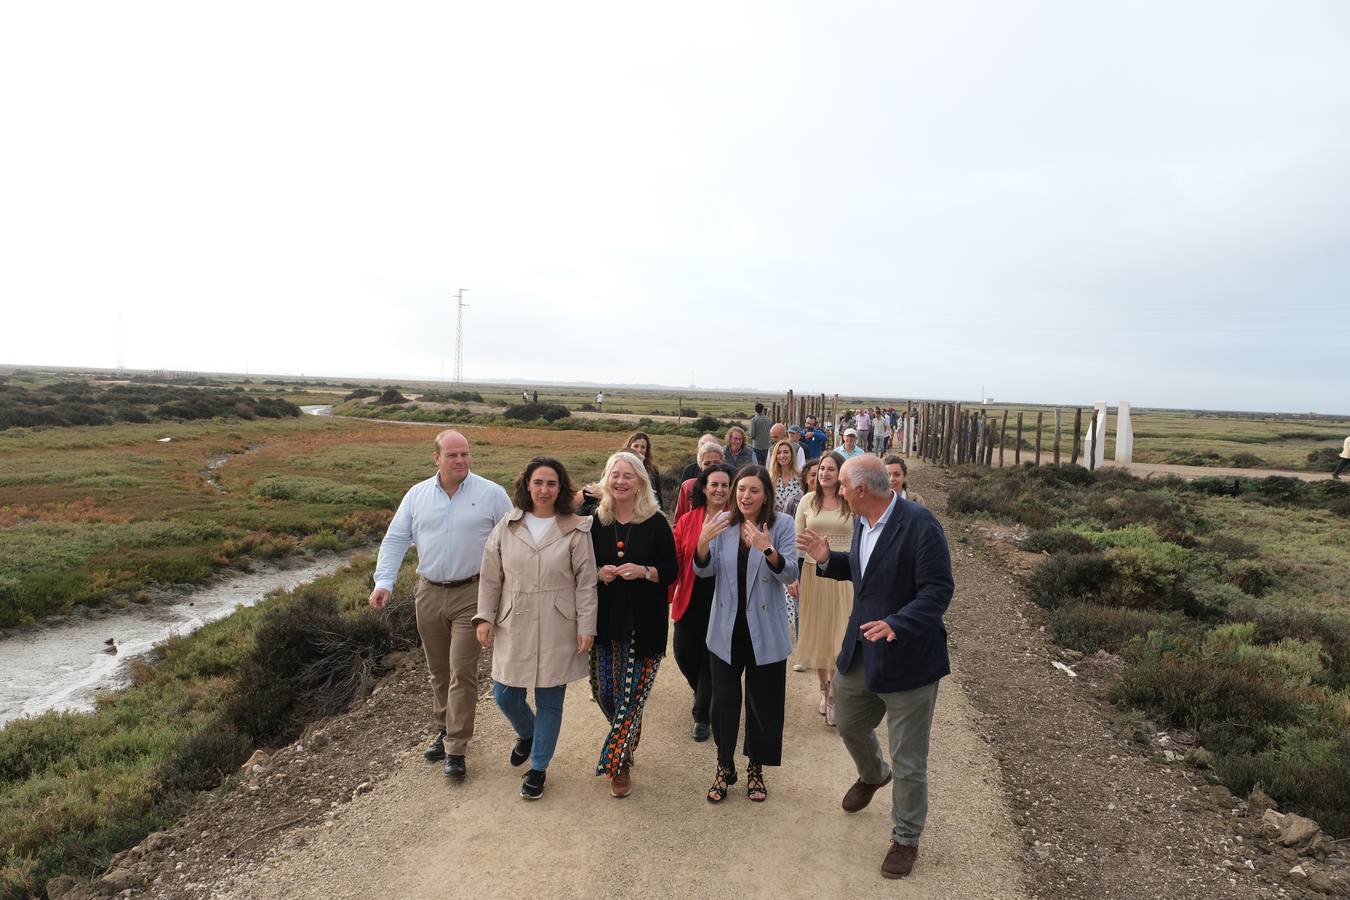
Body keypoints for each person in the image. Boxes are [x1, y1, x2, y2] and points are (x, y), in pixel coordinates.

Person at [797, 454, 954, 880]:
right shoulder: (864, 523)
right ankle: (872, 774)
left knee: (909, 758)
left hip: (909, 661)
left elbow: (939, 590)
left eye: (843, 485)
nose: (837, 490)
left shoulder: (920, 525)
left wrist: (898, 623)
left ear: (861, 490)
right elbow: (868, 574)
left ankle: (905, 839)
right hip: (863, 652)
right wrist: (830, 559)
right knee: (848, 723)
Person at [369, 430, 512, 781]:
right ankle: (444, 728)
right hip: (429, 593)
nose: (461, 460)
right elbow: (397, 538)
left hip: (472, 594)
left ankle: (456, 748)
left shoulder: (491, 494)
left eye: (465, 454)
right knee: (438, 670)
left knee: (462, 670)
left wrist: (508, 594)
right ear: (437, 458)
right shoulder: (417, 495)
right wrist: (383, 582)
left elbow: (513, 539)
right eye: (453, 455)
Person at [475, 457, 597, 800]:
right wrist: (484, 616)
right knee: (504, 693)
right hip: (514, 618)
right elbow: (491, 574)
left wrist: (587, 626)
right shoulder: (508, 524)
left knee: (550, 699)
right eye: (538, 482)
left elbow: (586, 582)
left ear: (561, 488)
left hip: (560, 622)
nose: (544, 490)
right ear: (527, 485)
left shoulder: (576, 527)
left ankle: (539, 767)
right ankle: (526, 733)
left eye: (552, 483)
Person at [693, 465, 798, 803]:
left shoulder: (782, 525)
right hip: (725, 628)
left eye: (753, 490)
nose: (745, 496)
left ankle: (756, 768)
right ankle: (724, 768)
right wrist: (702, 545)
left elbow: (790, 573)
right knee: (723, 703)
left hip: (764, 630)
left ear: (765, 494)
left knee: (763, 704)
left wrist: (768, 549)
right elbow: (704, 571)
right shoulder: (722, 523)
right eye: (741, 490)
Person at [589, 451, 678, 797]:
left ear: (641, 481)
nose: (621, 481)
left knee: (631, 695)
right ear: (607, 479)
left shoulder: (655, 521)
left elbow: (671, 570)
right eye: (615, 475)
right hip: (605, 620)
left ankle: (618, 762)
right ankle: (628, 727)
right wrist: (599, 573)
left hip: (645, 623)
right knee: (605, 692)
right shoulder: (596, 520)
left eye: (629, 476)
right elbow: (581, 568)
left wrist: (644, 571)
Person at [669, 464, 735, 742]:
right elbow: (676, 559)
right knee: (684, 653)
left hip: (724, 598)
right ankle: (704, 692)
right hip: (692, 595)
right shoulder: (687, 520)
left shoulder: (738, 520)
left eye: (724, 485)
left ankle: (702, 715)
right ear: (704, 488)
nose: (719, 489)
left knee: (712, 655)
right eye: (714, 484)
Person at [790, 451, 853, 725]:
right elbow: (796, 542)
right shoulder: (806, 501)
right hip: (813, 573)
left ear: (841, 473)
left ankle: (836, 691)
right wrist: (793, 577)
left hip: (845, 575)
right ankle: (824, 689)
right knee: (819, 632)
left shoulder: (850, 502)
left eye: (831, 469)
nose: (825, 473)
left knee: (842, 633)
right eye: (822, 469)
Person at [673, 442, 725, 522]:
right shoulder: (688, 487)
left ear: (723, 463)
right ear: (700, 465)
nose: (711, 466)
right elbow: (678, 520)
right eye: (707, 463)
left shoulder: (732, 487)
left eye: (716, 463)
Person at [625, 431, 664, 510]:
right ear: (629, 447)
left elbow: (658, 496)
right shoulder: (620, 466)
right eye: (636, 446)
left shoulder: (652, 470)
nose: (639, 450)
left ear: (647, 450)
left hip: (647, 511)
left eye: (643, 447)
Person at [769, 439, 803, 513]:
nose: (782, 455)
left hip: (795, 521)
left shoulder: (801, 478)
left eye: (786, 452)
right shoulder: (770, 479)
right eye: (778, 453)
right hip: (776, 522)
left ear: (791, 454)